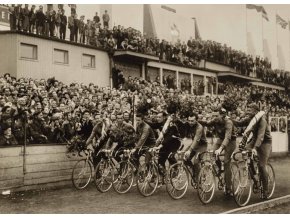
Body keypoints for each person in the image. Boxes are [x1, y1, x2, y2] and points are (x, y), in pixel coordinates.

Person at [235, 103, 272, 199]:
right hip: (255, 140)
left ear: (255, 111)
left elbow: (261, 136)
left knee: (262, 165)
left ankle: (265, 191)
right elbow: (239, 123)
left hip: (265, 142)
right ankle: (255, 178)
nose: (247, 112)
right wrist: (229, 119)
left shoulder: (262, 120)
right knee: (245, 153)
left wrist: (255, 148)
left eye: (249, 110)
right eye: (247, 109)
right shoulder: (250, 119)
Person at [200, 107, 237, 196]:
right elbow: (207, 124)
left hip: (231, 141)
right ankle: (220, 169)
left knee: (227, 161)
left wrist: (221, 148)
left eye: (218, 115)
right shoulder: (215, 120)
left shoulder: (228, 122)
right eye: (215, 115)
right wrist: (198, 121)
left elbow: (228, 137)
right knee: (212, 153)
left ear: (223, 116)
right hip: (220, 139)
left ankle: (228, 188)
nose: (216, 118)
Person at [184, 111, 208, 180]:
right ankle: (195, 172)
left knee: (196, 162)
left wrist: (189, 150)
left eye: (192, 121)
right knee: (184, 158)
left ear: (196, 120)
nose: (190, 122)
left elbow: (196, 139)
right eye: (189, 121)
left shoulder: (199, 127)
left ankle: (199, 180)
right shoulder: (188, 125)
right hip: (194, 145)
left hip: (202, 146)